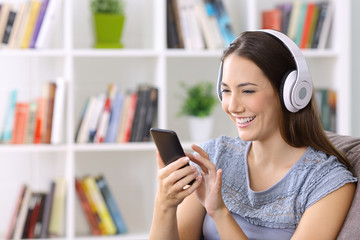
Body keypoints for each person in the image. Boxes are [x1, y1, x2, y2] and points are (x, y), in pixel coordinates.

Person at [149, 30, 357, 240]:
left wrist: (220, 213)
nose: (232, 106)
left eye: (247, 91)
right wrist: (164, 204)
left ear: (291, 92)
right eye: (226, 91)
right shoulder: (215, 156)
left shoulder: (327, 182)